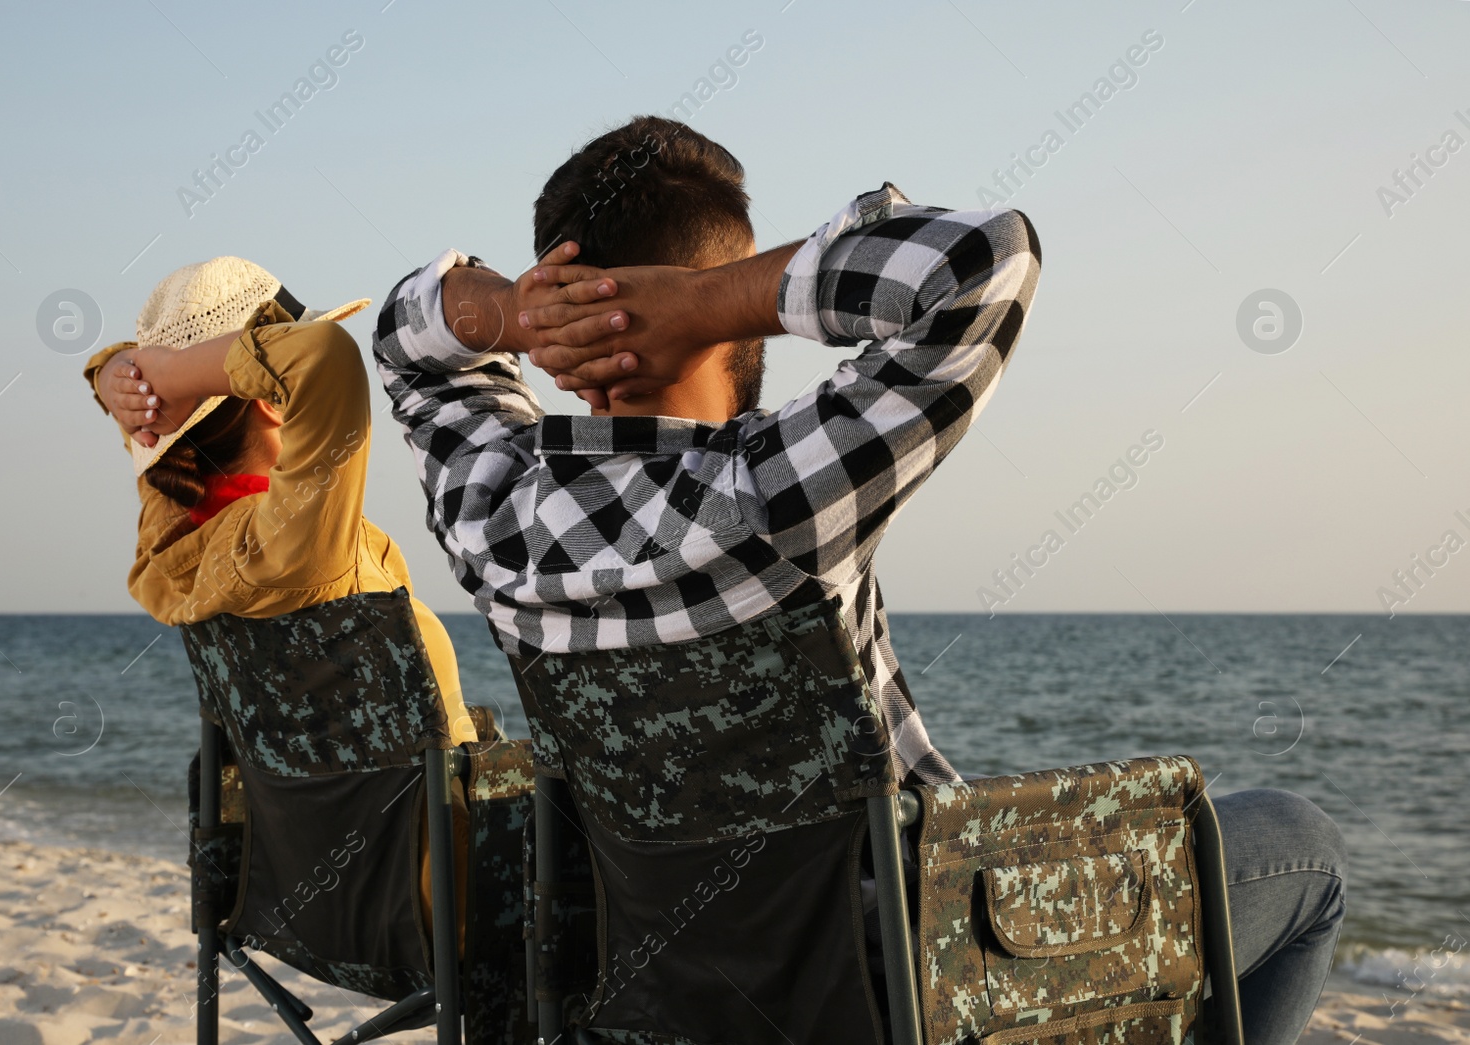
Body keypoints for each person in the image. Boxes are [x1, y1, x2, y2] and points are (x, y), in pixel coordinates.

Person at [370, 116, 1346, 1039]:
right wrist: (708, 301)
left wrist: (512, 311)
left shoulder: (493, 504)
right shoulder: (765, 489)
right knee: (1303, 846)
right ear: (709, 308)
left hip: (673, 997)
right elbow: (980, 258)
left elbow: (404, 339)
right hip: (915, 996)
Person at [84, 255, 477, 944]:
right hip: (445, 901)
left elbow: (155, 438)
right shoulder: (296, 544)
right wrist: (167, 374)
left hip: (301, 906)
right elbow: (323, 356)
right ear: (273, 398)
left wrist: (126, 373)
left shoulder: (172, 544)